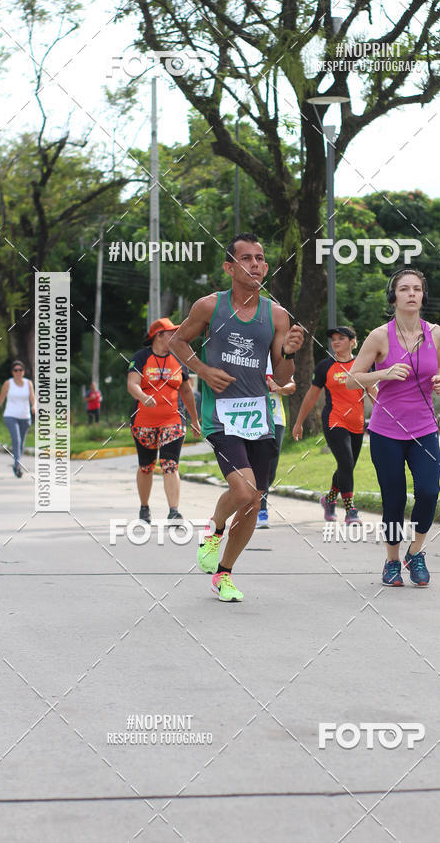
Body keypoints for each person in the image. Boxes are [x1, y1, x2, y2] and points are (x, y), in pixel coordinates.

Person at [169, 232, 304, 603]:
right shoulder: (209, 307)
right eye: (247, 258)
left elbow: (283, 378)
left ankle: (224, 574)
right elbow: (177, 342)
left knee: (255, 500)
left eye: (260, 258)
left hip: (258, 415)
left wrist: (289, 352)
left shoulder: (276, 314)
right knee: (243, 490)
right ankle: (214, 531)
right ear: (230, 266)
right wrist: (201, 370)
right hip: (221, 414)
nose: (256, 265)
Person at [346, 269, 440, 586]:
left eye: (417, 289)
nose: (412, 294)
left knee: (429, 492)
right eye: (405, 289)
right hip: (386, 431)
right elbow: (351, 378)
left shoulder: (437, 333)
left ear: (422, 295)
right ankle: (392, 561)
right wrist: (383, 374)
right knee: (394, 498)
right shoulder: (379, 336)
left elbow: (439, 365)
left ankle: (415, 552)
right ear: (394, 296)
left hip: (425, 428)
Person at [127, 317, 201, 524]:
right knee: (146, 466)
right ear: (158, 335)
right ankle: (144, 507)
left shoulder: (178, 358)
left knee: (170, 464)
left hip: (173, 420)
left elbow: (186, 390)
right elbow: (132, 384)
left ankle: (174, 511)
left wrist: (195, 419)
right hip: (143, 422)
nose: (175, 336)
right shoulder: (141, 357)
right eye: (171, 333)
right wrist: (142, 396)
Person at [292, 326, 367, 524]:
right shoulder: (325, 366)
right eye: (333, 339)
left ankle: (329, 500)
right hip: (335, 420)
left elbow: (374, 390)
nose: (335, 342)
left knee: (347, 466)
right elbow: (311, 396)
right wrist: (299, 422)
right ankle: (351, 510)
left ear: (352, 341)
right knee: (346, 463)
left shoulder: (363, 364)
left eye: (341, 338)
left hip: (357, 423)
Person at [256, 355, 296, 528]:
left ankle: (255, 499)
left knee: (271, 469)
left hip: (276, 419)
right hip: (252, 419)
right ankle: (260, 509)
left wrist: (279, 388)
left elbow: (292, 386)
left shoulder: (277, 361)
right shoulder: (248, 358)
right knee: (258, 465)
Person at [0, 360, 35, 477]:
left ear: (23, 371)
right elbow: (1, 399)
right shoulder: (8, 383)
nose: (18, 372)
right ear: (12, 372)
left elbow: (33, 399)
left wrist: (34, 406)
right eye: (15, 370)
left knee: (21, 443)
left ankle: (17, 463)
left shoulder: (28, 383)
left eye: (20, 370)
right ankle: (17, 466)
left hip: (25, 417)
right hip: (10, 416)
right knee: (16, 440)